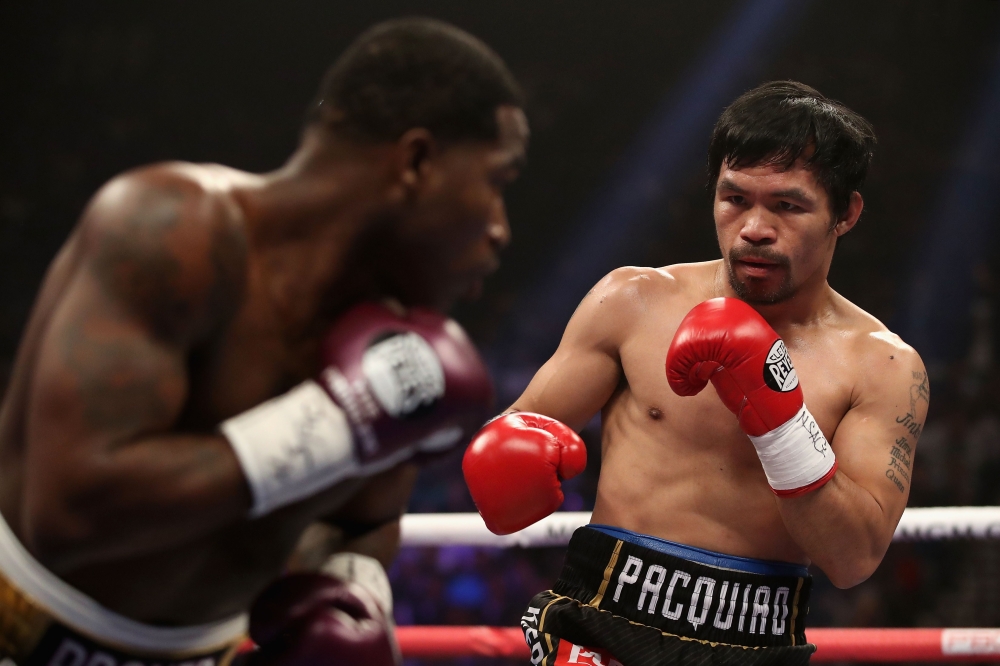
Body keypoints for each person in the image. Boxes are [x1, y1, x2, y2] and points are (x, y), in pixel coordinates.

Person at [0, 17, 528, 666]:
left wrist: (348, 591)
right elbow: (69, 513)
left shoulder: (397, 348)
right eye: (498, 182)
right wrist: (334, 422)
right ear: (416, 162)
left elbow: (363, 523)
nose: (501, 230)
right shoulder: (173, 230)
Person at [464, 81, 927, 665]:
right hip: (604, 619)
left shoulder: (883, 366)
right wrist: (507, 458)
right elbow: (517, 438)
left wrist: (779, 420)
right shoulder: (632, 301)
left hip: (755, 637)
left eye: (787, 205)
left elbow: (853, 557)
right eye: (735, 199)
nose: (755, 228)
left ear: (846, 214)